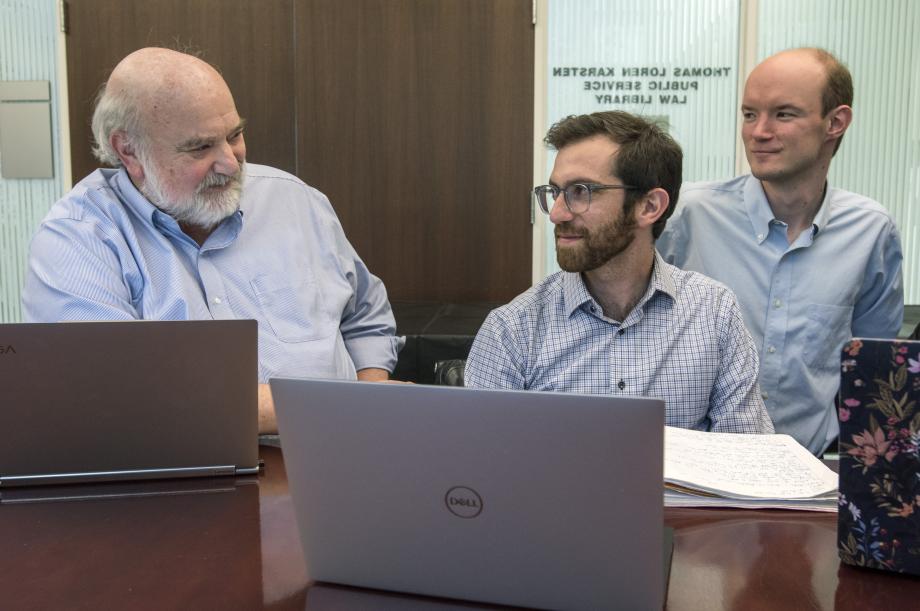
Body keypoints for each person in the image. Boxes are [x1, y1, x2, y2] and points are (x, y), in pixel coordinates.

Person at [22, 48, 403, 433]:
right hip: (186, 479)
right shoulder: (78, 238)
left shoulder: (295, 201)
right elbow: (114, 395)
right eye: (200, 147)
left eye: (234, 134)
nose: (231, 163)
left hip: (342, 451)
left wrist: (367, 409)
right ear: (128, 150)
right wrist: (341, 406)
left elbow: (365, 316)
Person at [657, 48, 903, 454]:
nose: (758, 132)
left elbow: (874, 377)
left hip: (807, 476)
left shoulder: (871, 231)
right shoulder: (688, 216)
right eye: (750, 114)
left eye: (783, 114)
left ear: (835, 122)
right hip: (692, 475)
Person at [465, 111, 773, 434]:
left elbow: (746, 459)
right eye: (555, 192)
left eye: (580, 191)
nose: (556, 213)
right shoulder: (512, 331)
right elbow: (480, 472)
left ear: (649, 206)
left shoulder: (714, 313)